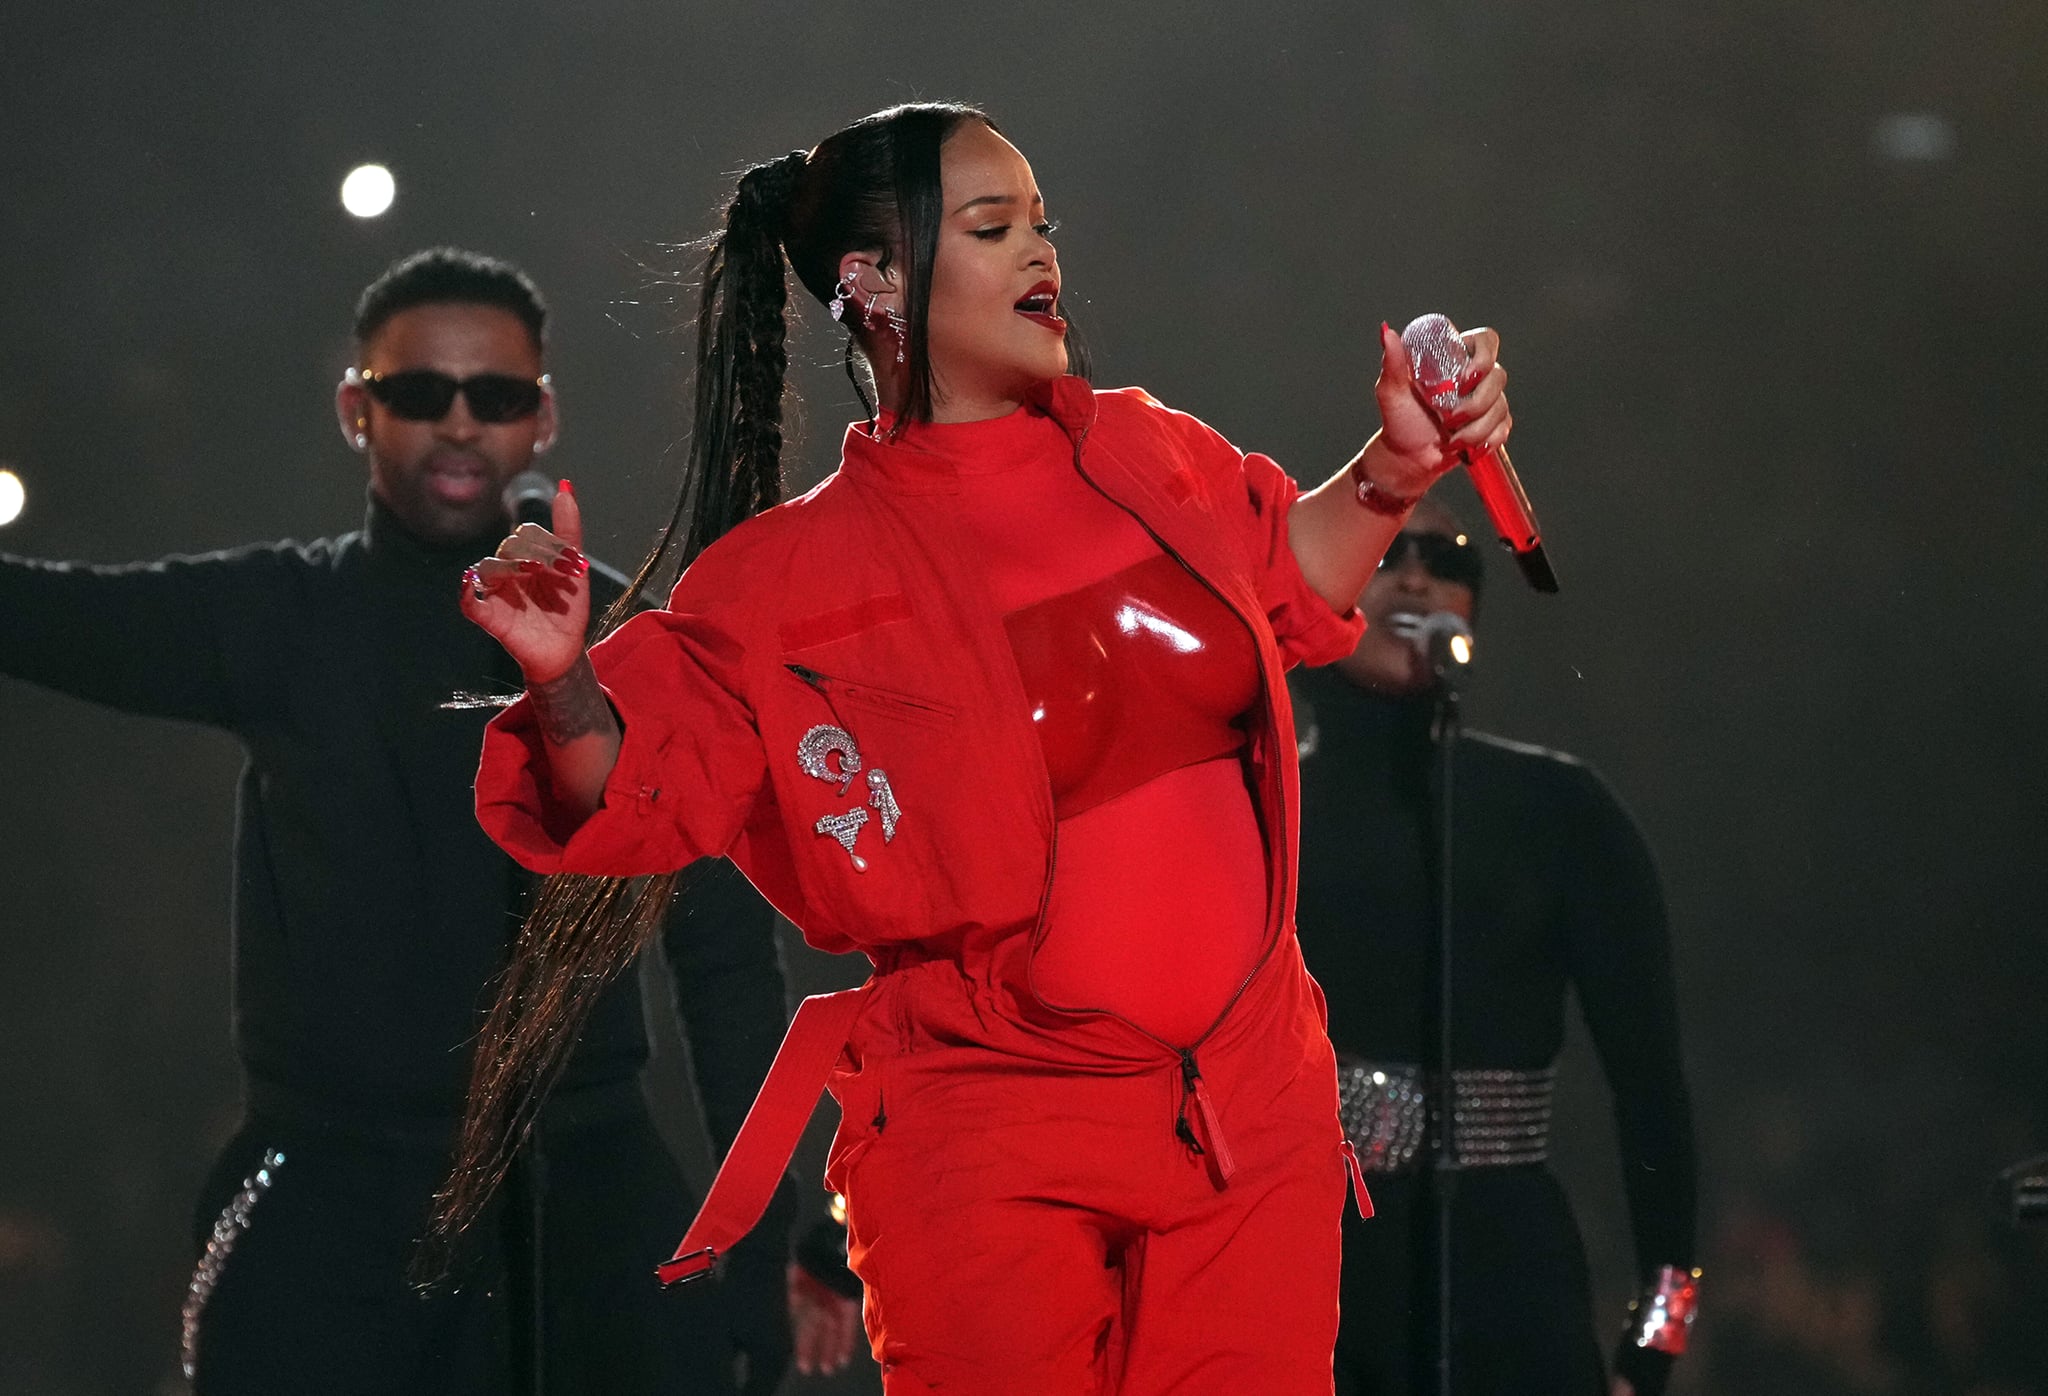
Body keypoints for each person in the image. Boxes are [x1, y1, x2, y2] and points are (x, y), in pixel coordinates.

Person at [440, 102, 1515, 1396]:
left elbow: (1281, 576)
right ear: (873, 283)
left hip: (1250, 1116)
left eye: (1043, 224)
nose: (1039, 254)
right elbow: (633, 791)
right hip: (986, 1138)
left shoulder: (1145, 449)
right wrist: (561, 680)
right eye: (995, 227)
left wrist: (1397, 469)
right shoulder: (785, 580)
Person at [0, 247, 808, 1395]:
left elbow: (727, 965)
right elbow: (46, 617)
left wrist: (764, 1235)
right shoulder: (280, 617)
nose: (461, 424)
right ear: (356, 409)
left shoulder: (638, 649)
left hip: (582, 1187)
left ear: (543, 418)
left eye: (498, 396)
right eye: (421, 393)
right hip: (340, 1191)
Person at [1289, 497, 1700, 1395]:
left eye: (1450, 561)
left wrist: (1663, 1324)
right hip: (1300, 1268)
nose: (1416, 575)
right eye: (1386, 550)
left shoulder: (1562, 814)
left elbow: (1652, 1089)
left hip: (1507, 1280)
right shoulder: (1255, 810)